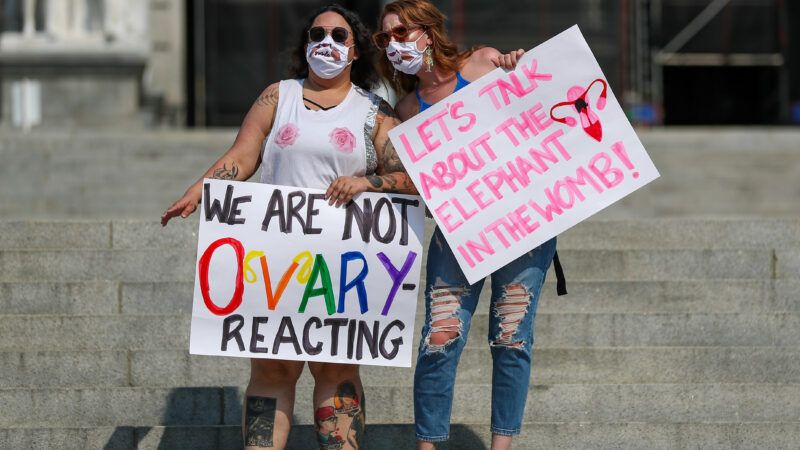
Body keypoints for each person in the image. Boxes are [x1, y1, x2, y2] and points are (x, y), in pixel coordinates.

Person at [161, 4, 417, 449]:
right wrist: (200, 188)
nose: (327, 42)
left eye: (339, 36)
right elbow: (243, 155)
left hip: (342, 263)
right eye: (317, 33)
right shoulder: (278, 97)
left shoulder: (374, 111)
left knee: (337, 370)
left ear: (355, 50)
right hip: (276, 259)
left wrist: (368, 181)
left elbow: (410, 178)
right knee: (272, 370)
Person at [374, 1, 565, 449]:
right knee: (438, 340)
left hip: (522, 226)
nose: (394, 44)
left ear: (428, 30)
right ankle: (428, 444)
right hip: (459, 233)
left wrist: (517, 68)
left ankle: (502, 447)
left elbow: (539, 114)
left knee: (512, 339)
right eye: (385, 38)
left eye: (401, 31)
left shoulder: (481, 65)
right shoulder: (406, 107)